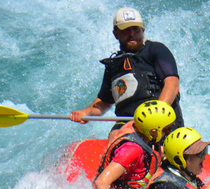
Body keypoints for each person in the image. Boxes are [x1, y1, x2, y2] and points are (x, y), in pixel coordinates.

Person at [70, 7, 183, 138]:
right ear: (115, 33)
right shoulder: (113, 65)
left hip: (161, 121)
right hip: (130, 125)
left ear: (143, 30)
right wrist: (86, 112)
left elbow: (172, 84)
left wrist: (156, 114)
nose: (132, 34)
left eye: (136, 29)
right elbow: (104, 103)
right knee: (114, 134)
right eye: (126, 30)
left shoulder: (156, 50)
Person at [94, 100, 175, 189]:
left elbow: (151, 151)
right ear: (153, 131)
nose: (168, 132)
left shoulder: (140, 132)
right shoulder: (132, 150)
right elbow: (101, 182)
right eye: (167, 129)